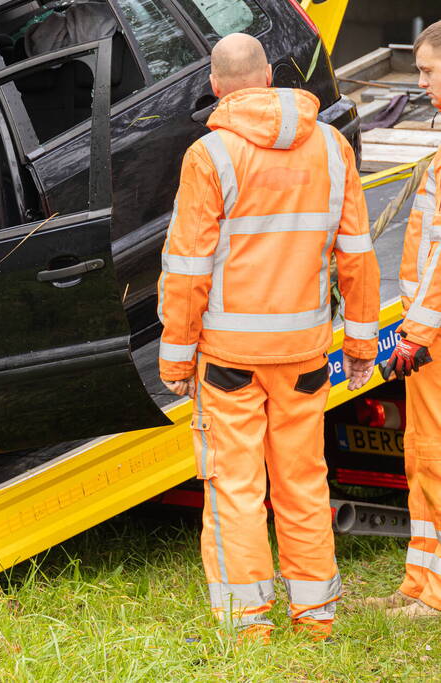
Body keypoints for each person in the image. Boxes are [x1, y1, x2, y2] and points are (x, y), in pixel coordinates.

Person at [157, 33, 380, 641]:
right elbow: (357, 257)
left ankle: (246, 621)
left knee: (235, 487)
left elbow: (187, 270)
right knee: (304, 481)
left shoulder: (212, 156)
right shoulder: (332, 148)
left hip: (230, 360)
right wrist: (361, 347)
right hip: (305, 353)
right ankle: (317, 616)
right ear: (271, 77)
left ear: (216, 85)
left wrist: (175, 358)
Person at [367, 20, 441, 619]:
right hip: (430, 337)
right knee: (420, 457)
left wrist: (417, 332)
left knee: (436, 461)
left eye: (427, 70)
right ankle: (419, 582)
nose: (420, 83)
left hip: (436, 336)